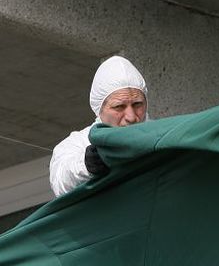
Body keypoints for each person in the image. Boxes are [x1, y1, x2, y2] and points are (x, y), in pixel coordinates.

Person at [49, 56, 148, 197]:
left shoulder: (164, 136)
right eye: (119, 107)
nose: (131, 117)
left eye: (137, 104)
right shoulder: (80, 143)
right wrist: (86, 165)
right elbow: (61, 182)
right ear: (99, 109)